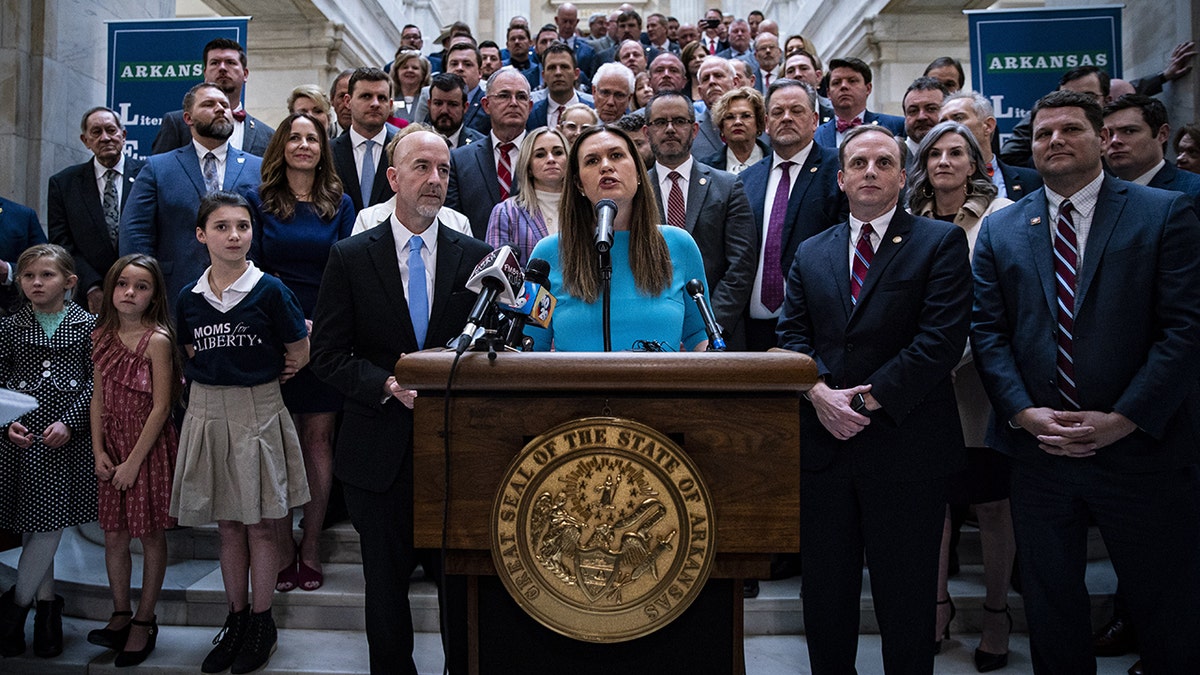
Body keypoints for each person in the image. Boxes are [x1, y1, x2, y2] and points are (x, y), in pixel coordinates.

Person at [971, 89, 1200, 674]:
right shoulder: (1003, 230)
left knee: (1162, 603)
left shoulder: (1162, 213)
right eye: (1044, 133)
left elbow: (1184, 330)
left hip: (1139, 447)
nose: (1054, 141)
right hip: (1040, 450)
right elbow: (989, 333)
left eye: (1070, 129)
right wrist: (1024, 413)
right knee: (1050, 604)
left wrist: (1122, 419)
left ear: (1103, 140)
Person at [777, 124, 971, 674]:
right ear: (839, 179)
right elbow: (792, 337)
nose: (870, 171)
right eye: (858, 163)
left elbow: (940, 341)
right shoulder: (812, 251)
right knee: (825, 598)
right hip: (823, 450)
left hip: (906, 448)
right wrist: (819, 395)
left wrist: (861, 404)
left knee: (906, 602)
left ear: (902, 176)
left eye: (883, 162)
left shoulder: (939, 242)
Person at [310, 128, 491, 675]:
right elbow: (328, 355)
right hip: (376, 452)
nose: (434, 179)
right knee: (384, 591)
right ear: (393, 178)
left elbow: (494, 350)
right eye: (421, 168)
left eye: (443, 170)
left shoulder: (478, 258)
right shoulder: (349, 256)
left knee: (461, 589)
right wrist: (385, 385)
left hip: (455, 453)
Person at [171, 191, 310, 675]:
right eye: (223, 227)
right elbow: (190, 351)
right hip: (208, 409)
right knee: (227, 523)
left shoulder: (270, 290)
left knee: (261, 523)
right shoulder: (189, 297)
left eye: (243, 227)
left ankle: (261, 621)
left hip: (259, 407)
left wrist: (277, 375)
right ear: (201, 234)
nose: (234, 236)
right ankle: (234, 618)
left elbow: (300, 348)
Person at [907, 120, 1016, 671]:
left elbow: (997, 302)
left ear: (975, 163)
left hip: (979, 379)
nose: (945, 161)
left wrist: (952, 356)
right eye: (934, 154)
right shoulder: (907, 220)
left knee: (992, 503)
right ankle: (937, 605)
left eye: (957, 153)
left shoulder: (1001, 218)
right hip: (925, 382)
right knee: (937, 504)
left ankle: (997, 614)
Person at [246, 113, 354, 596]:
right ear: (281, 147)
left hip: (326, 334)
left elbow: (349, 270)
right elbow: (254, 271)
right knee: (275, 445)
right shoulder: (258, 201)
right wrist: (290, 332)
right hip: (272, 334)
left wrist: (317, 333)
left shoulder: (341, 204)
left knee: (318, 442)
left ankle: (309, 546)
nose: (304, 145)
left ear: (322, 147)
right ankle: (281, 546)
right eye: (295, 137)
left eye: (312, 138)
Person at [525, 125, 711, 352]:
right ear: (578, 184)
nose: (605, 166)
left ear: (639, 174)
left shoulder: (679, 245)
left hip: (661, 386)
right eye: (592, 161)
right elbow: (531, 346)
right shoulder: (547, 254)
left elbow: (700, 336)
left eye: (616, 156)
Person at [0, 244, 95, 659]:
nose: (36, 283)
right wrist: (6, 425)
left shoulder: (88, 325)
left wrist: (71, 422)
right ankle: (46, 610)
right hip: (21, 439)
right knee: (34, 521)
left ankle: (16, 610)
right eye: (28, 277)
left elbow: (97, 384)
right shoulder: (9, 327)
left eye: (47, 275)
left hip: (65, 441)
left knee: (49, 523)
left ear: (69, 282)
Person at [86, 253, 181, 667]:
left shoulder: (157, 339)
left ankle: (145, 619)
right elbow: (98, 398)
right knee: (114, 536)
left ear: (154, 294)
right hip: (113, 447)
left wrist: (133, 463)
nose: (130, 292)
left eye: (141, 286)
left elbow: (162, 408)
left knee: (151, 535)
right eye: (123, 284)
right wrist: (99, 451)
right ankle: (120, 612)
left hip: (147, 448)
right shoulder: (102, 334)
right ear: (110, 289)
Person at [119, 82, 263, 312]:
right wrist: (144, 283)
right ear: (188, 118)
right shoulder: (158, 168)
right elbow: (136, 231)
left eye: (225, 105)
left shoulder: (258, 168)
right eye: (209, 104)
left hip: (246, 295)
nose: (220, 109)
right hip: (175, 292)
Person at [739, 79, 846, 351]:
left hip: (816, 326)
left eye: (796, 111)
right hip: (752, 330)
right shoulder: (746, 180)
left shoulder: (838, 170)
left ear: (814, 120)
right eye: (777, 112)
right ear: (765, 123)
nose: (786, 118)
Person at [644, 91, 756, 349]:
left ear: (694, 129)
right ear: (646, 131)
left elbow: (741, 265)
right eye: (660, 122)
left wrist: (707, 328)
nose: (670, 129)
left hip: (718, 334)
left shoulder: (728, 186)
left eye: (679, 121)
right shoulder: (636, 192)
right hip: (652, 335)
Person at [47, 107, 146, 313]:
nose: (105, 138)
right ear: (85, 141)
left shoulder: (149, 174)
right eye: (96, 132)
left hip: (143, 292)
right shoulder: (64, 183)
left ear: (123, 135)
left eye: (111, 130)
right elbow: (61, 243)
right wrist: (90, 285)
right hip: (88, 298)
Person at [446, 67, 533, 239]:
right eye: (504, 96)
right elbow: (453, 223)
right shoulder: (460, 159)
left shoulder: (546, 157)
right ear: (486, 105)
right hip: (476, 259)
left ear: (530, 107)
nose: (514, 103)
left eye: (521, 97)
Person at [152, 38, 274, 156]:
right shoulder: (177, 123)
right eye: (215, 63)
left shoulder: (267, 135)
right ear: (205, 73)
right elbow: (159, 171)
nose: (222, 68)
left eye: (230, 62)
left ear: (245, 74)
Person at [939, 90, 1043, 202]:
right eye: (943, 122)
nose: (948, 126)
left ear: (988, 126)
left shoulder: (1033, 181)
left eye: (958, 118)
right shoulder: (938, 182)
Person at [485, 127, 567, 261]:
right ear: (528, 167)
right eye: (540, 155)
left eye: (558, 152)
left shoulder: (586, 207)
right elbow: (497, 273)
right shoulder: (506, 211)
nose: (551, 159)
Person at [1103, 94, 1200, 196]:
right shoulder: (1099, 194)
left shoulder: (1194, 191)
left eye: (1129, 131)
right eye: (1108, 134)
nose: (1114, 141)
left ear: (1162, 134)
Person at [332, 67, 398, 213]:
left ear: (391, 105)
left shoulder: (405, 148)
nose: (375, 103)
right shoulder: (329, 152)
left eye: (382, 98)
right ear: (348, 101)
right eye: (366, 96)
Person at [813, 57, 906, 148]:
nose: (844, 86)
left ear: (868, 88)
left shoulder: (896, 126)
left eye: (852, 81)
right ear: (828, 93)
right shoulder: (815, 135)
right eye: (836, 82)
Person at [527, 43, 594, 131]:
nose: (558, 73)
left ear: (576, 74)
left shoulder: (593, 112)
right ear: (543, 76)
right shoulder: (530, 114)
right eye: (552, 68)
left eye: (564, 67)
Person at [706, 86, 770, 173]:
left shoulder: (775, 161)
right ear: (721, 126)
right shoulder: (707, 167)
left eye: (746, 116)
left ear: (758, 122)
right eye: (730, 117)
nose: (737, 122)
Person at [693, 57, 743, 159]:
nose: (712, 81)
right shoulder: (691, 130)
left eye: (718, 76)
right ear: (700, 92)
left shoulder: (758, 123)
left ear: (735, 83)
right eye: (706, 78)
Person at [902, 77, 948, 174]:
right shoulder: (893, 158)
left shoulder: (965, 157)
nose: (921, 117)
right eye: (913, 111)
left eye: (931, 109)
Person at [388, 50, 429, 126]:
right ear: (397, 72)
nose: (410, 70)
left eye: (415, 68)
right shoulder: (388, 96)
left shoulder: (429, 97)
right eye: (405, 67)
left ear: (424, 72)